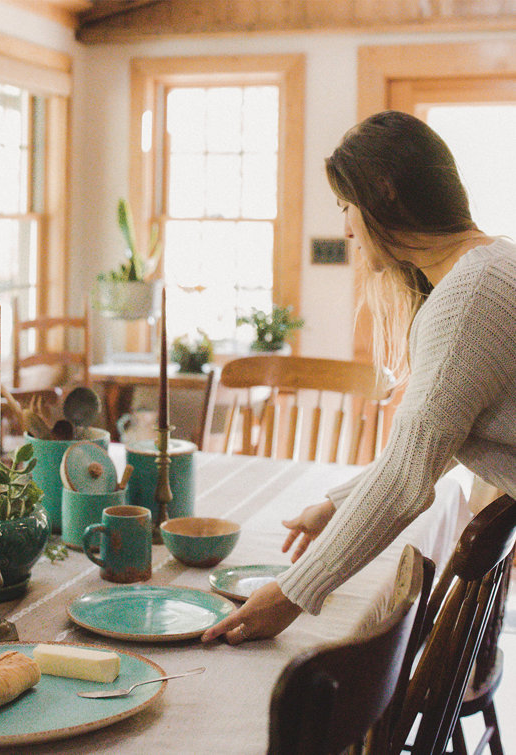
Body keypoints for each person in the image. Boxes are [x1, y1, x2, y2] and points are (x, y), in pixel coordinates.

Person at [202, 110, 516, 645]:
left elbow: (406, 478)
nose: (346, 226)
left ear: (383, 193)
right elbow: (428, 446)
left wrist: (290, 594)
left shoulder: (469, 299)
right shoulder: (492, 263)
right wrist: (336, 504)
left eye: (346, 206)